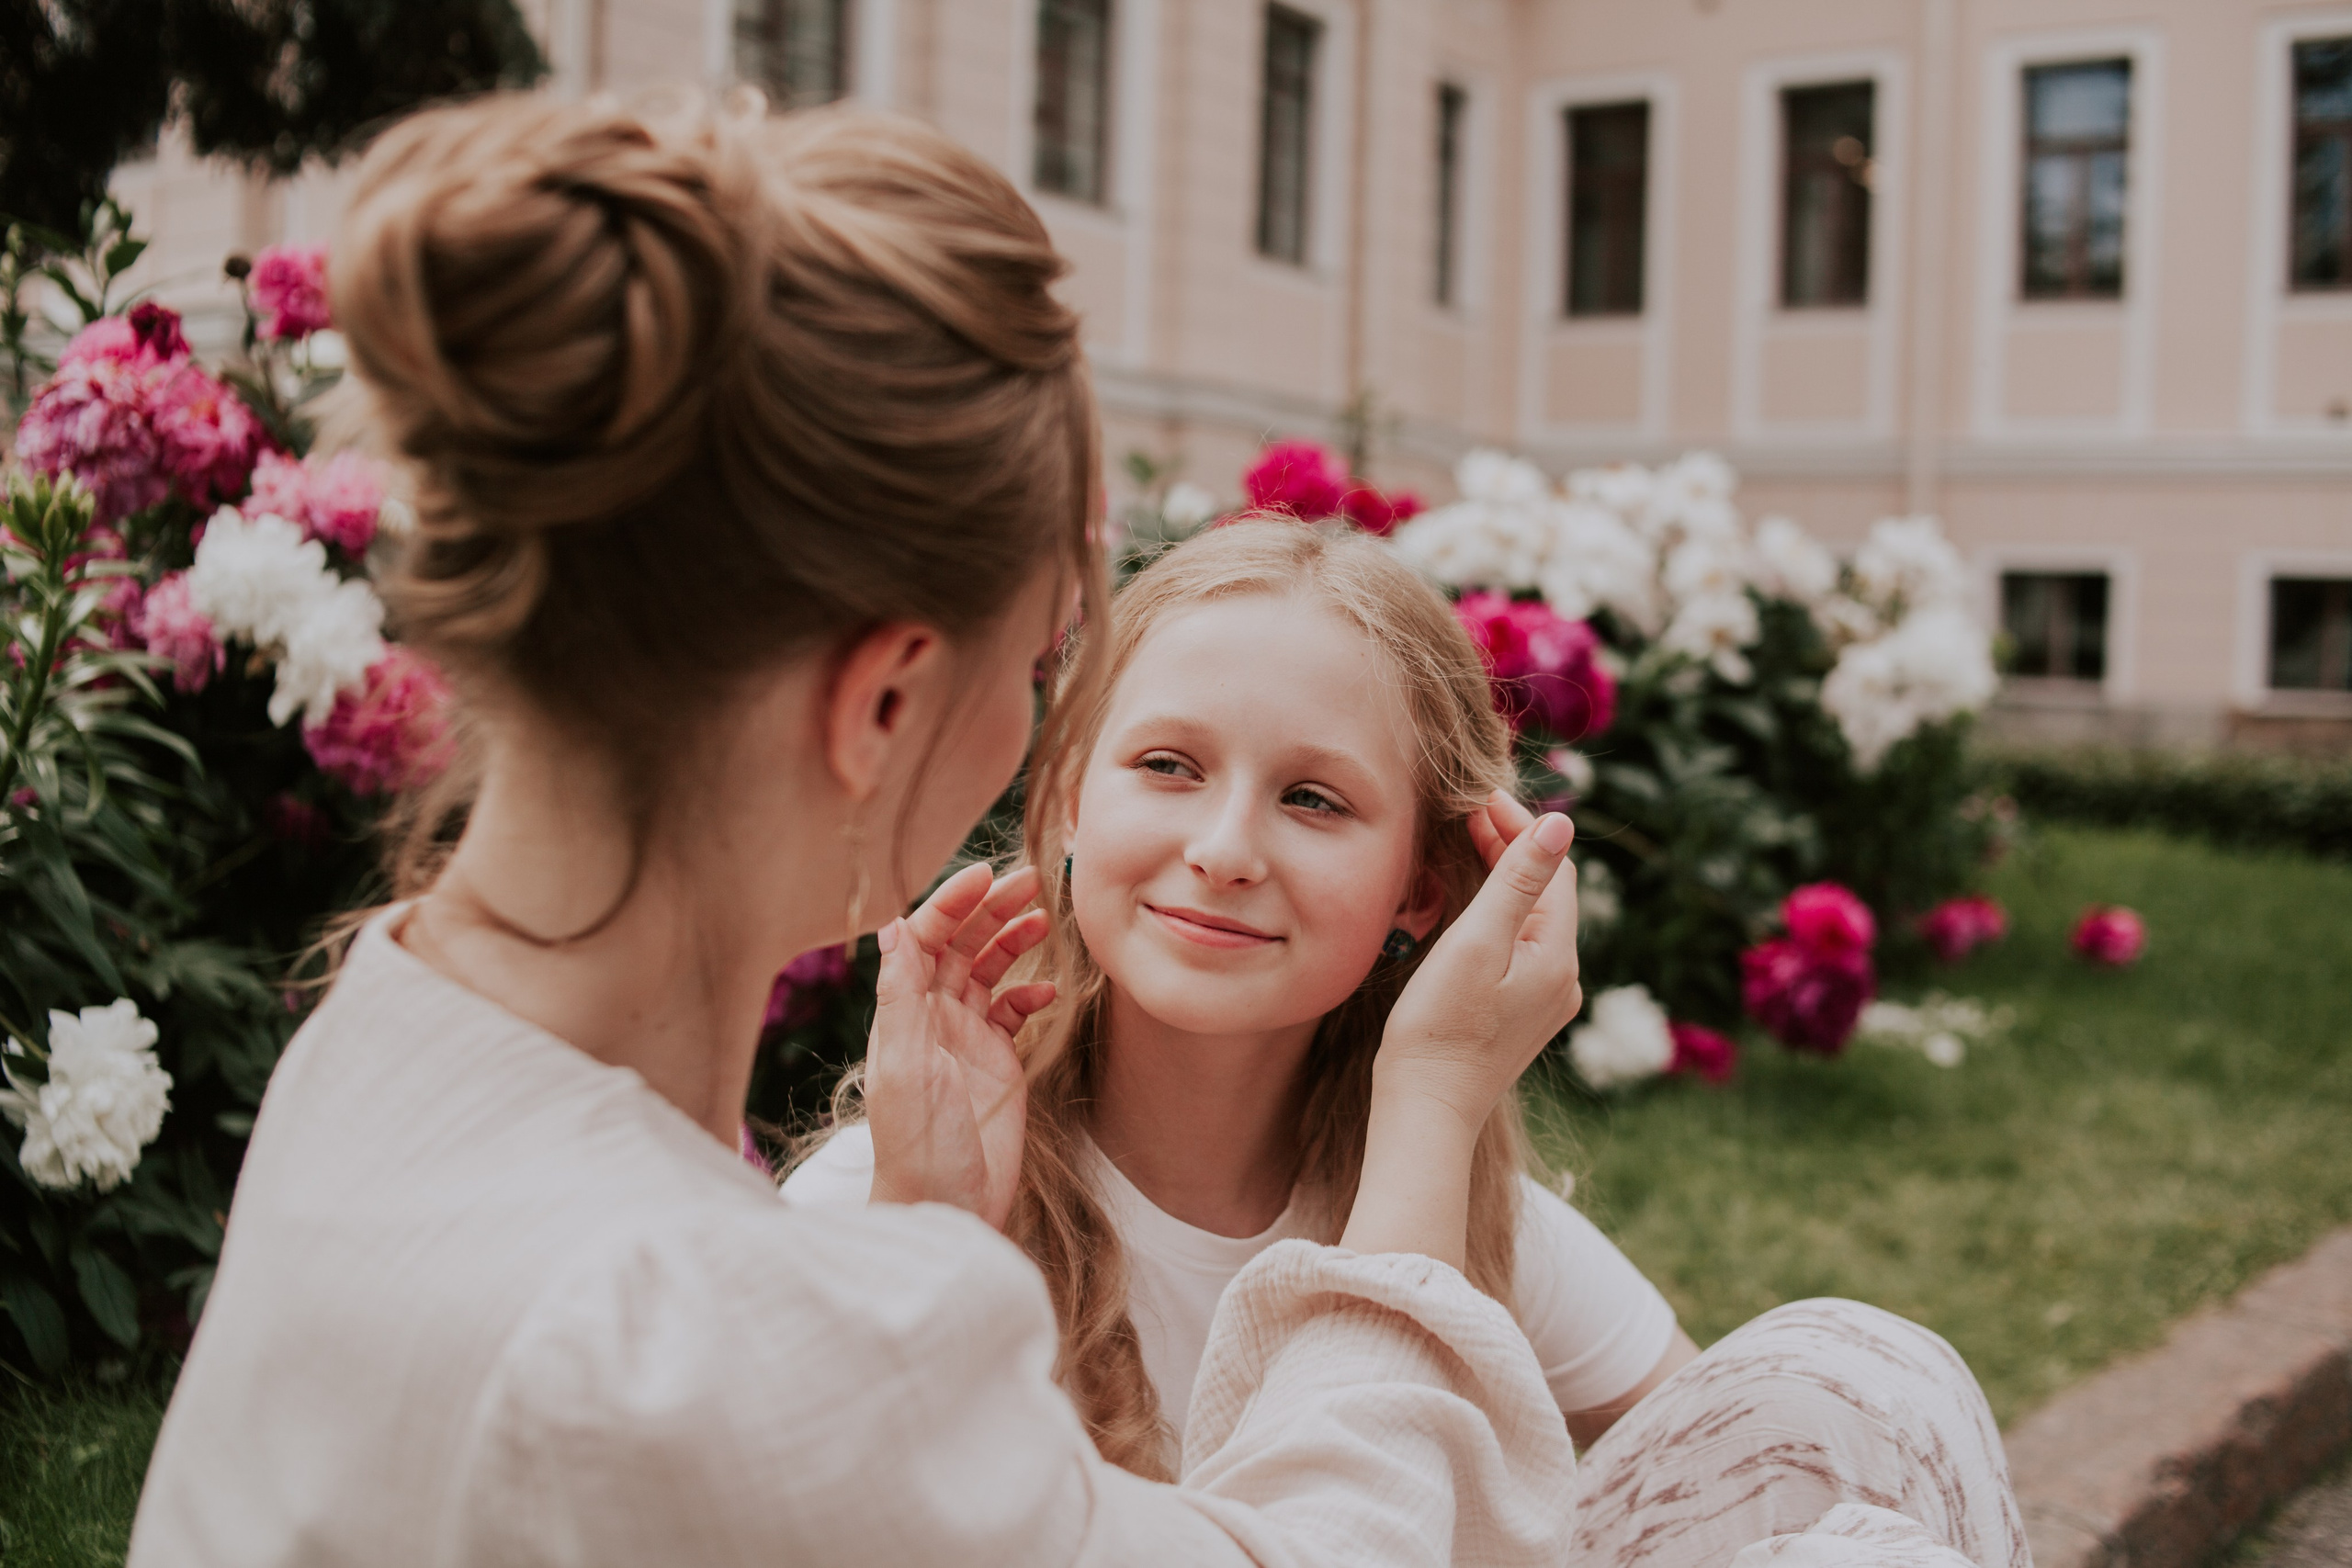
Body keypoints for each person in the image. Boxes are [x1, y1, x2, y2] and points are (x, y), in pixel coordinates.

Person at [126, 92, 1590, 1566]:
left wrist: (929, 1247)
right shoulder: (688, 1343)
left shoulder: (393, 1037)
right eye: (1039, 669)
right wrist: (1428, 1103)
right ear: (885, 703)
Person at [787, 520, 2033, 1568]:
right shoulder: (900, 1183)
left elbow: (1748, 1457)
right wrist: (929, 1233)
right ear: (1066, 804)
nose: (1224, 847)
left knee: (1864, 1380)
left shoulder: (1453, 1208)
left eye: (1313, 799)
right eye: (1168, 764)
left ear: (1431, 887)